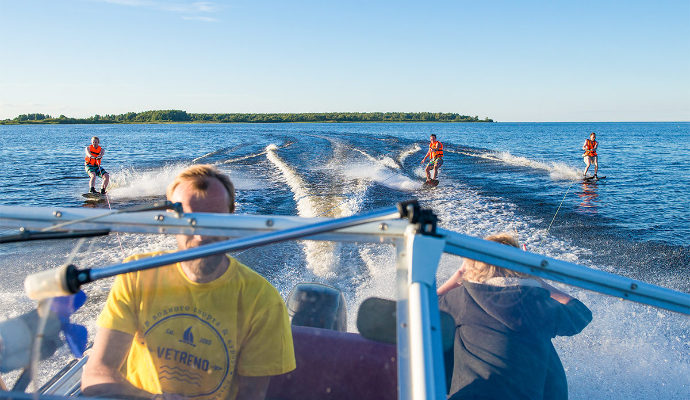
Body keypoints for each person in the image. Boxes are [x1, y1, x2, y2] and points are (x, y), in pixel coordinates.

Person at [81, 165, 296, 400]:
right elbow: (97, 374)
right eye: (190, 220)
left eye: (213, 220)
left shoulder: (263, 301)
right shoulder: (137, 275)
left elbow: (251, 396)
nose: (202, 235)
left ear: (231, 219)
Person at [437, 233, 592, 400]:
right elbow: (580, 315)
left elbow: (426, 307)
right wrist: (538, 282)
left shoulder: (464, 297)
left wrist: (459, 274)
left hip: (474, 394)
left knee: (447, 332)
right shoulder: (537, 302)